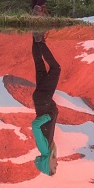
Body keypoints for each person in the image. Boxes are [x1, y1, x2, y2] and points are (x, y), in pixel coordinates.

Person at [30, 32, 61, 176]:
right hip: (41, 100)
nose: (56, 165)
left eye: (54, 168)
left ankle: (40, 41)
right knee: (39, 65)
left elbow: (35, 125)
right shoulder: (48, 148)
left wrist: (48, 116)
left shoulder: (44, 149)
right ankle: (35, 36)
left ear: (47, 165)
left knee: (56, 69)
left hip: (43, 100)